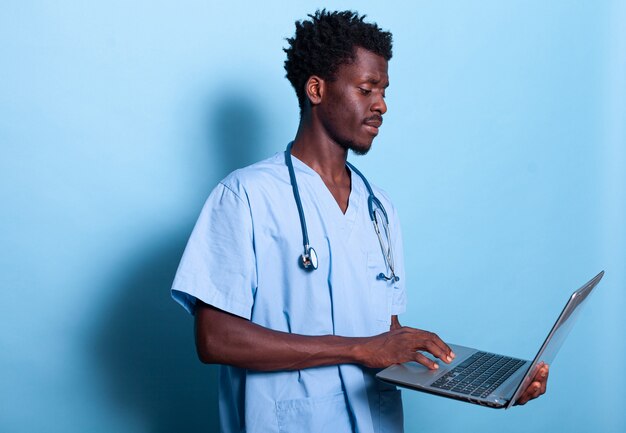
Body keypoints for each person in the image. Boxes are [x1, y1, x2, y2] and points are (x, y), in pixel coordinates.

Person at [171, 9, 548, 433]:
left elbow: (384, 335)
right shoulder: (246, 196)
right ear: (316, 89)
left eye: (384, 91)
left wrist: (493, 385)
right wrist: (361, 348)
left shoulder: (378, 207)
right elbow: (215, 338)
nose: (381, 105)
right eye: (367, 89)